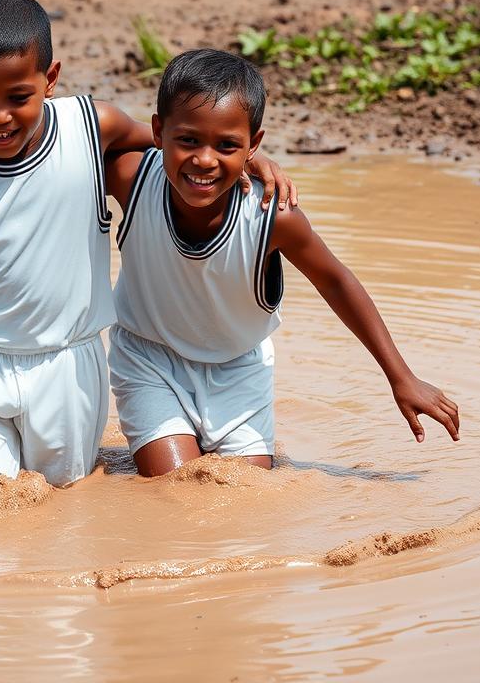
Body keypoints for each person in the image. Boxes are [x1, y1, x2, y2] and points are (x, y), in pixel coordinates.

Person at [0, 0, 294, 492]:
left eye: (18, 97)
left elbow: (181, 142)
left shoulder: (91, 128)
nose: (0, 117)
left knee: (61, 495)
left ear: (50, 81)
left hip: (66, 363)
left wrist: (247, 159)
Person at [105, 48, 460, 475]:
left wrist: (401, 376)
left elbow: (335, 281)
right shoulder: (131, 178)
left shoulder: (274, 217)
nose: (204, 159)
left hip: (237, 370)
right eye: (188, 140)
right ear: (158, 131)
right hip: (149, 360)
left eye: (228, 145)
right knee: (172, 484)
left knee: (241, 491)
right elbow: (68, 145)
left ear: (253, 145)